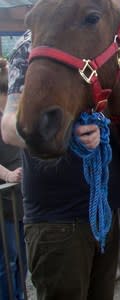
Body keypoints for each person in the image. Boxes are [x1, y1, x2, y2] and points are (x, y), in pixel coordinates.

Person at [2, 30, 120, 300]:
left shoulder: (99, 39)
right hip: (58, 221)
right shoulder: (30, 45)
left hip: (104, 215)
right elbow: (9, 127)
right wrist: (67, 132)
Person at [0, 57, 27, 300]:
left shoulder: (16, 115)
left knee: (22, 259)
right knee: (8, 261)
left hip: (20, 202)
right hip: (4, 205)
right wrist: (7, 174)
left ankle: (20, 295)